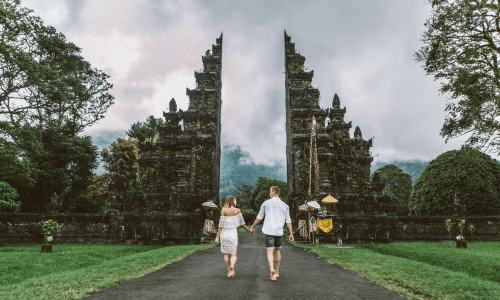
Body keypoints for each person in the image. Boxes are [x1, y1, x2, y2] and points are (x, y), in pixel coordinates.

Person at [250, 186, 294, 282]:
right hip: (279, 231)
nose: (269, 193)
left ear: (274, 192)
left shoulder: (266, 203)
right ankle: (277, 272)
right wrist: (291, 233)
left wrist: (252, 227)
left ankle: (271, 269)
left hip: (269, 231)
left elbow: (259, 217)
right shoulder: (285, 205)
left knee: (270, 251)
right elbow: (288, 221)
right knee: (277, 251)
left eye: (270, 191)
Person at [215, 196, 254, 278]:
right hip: (232, 233)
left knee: (226, 254)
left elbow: (220, 225)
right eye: (235, 200)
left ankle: (229, 272)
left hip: (224, 234)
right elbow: (242, 223)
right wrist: (249, 231)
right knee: (233, 254)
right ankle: (232, 265)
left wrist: (217, 237)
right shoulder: (237, 210)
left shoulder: (223, 211)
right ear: (233, 201)